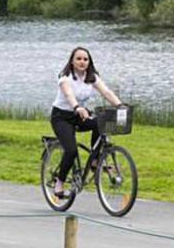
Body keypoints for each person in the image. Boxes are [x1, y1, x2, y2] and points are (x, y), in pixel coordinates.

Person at [50, 46, 122, 198]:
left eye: (85, 59)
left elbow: (106, 92)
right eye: (78, 59)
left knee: (99, 123)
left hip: (79, 115)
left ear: (89, 62)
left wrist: (120, 106)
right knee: (71, 151)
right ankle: (60, 182)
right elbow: (69, 95)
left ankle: (95, 160)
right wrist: (77, 107)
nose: (82, 62)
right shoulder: (65, 77)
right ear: (72, 61)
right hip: (61, 117)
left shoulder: (92, 77)